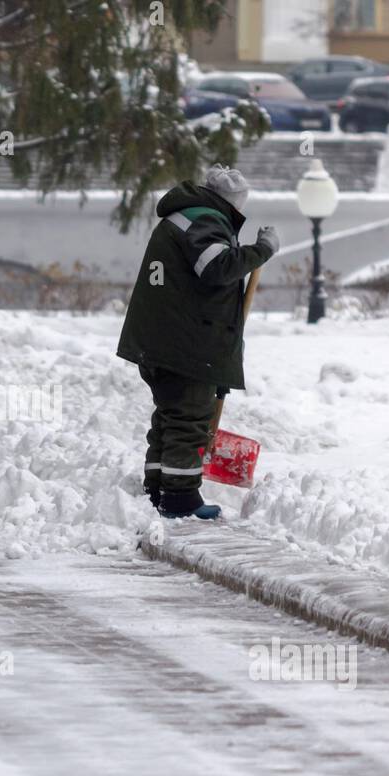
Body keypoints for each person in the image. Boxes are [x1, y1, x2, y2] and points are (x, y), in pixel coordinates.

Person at [116, 164, 278, 519]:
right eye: (239, 209)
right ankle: (180, 497)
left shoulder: (187, 215)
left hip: (165, 339)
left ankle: (157, 487)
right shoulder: (204, 219)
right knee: (189, 418)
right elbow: (217, 267)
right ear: (230, 204)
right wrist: (261, 250)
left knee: (172, 415)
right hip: (182, 344)